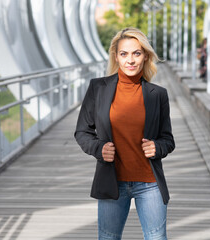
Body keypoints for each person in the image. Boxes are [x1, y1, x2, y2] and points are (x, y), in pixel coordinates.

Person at [74, 27, 175, 240]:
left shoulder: (158, 95)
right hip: (112, 182)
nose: (130, 60)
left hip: (149, 184)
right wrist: (98, 149)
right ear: (116, 57)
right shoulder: (98, 88)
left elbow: (168, 139)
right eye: (124, 54)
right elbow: (82, 131)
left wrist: (157, 147)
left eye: (136, 53)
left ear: (145, 56)